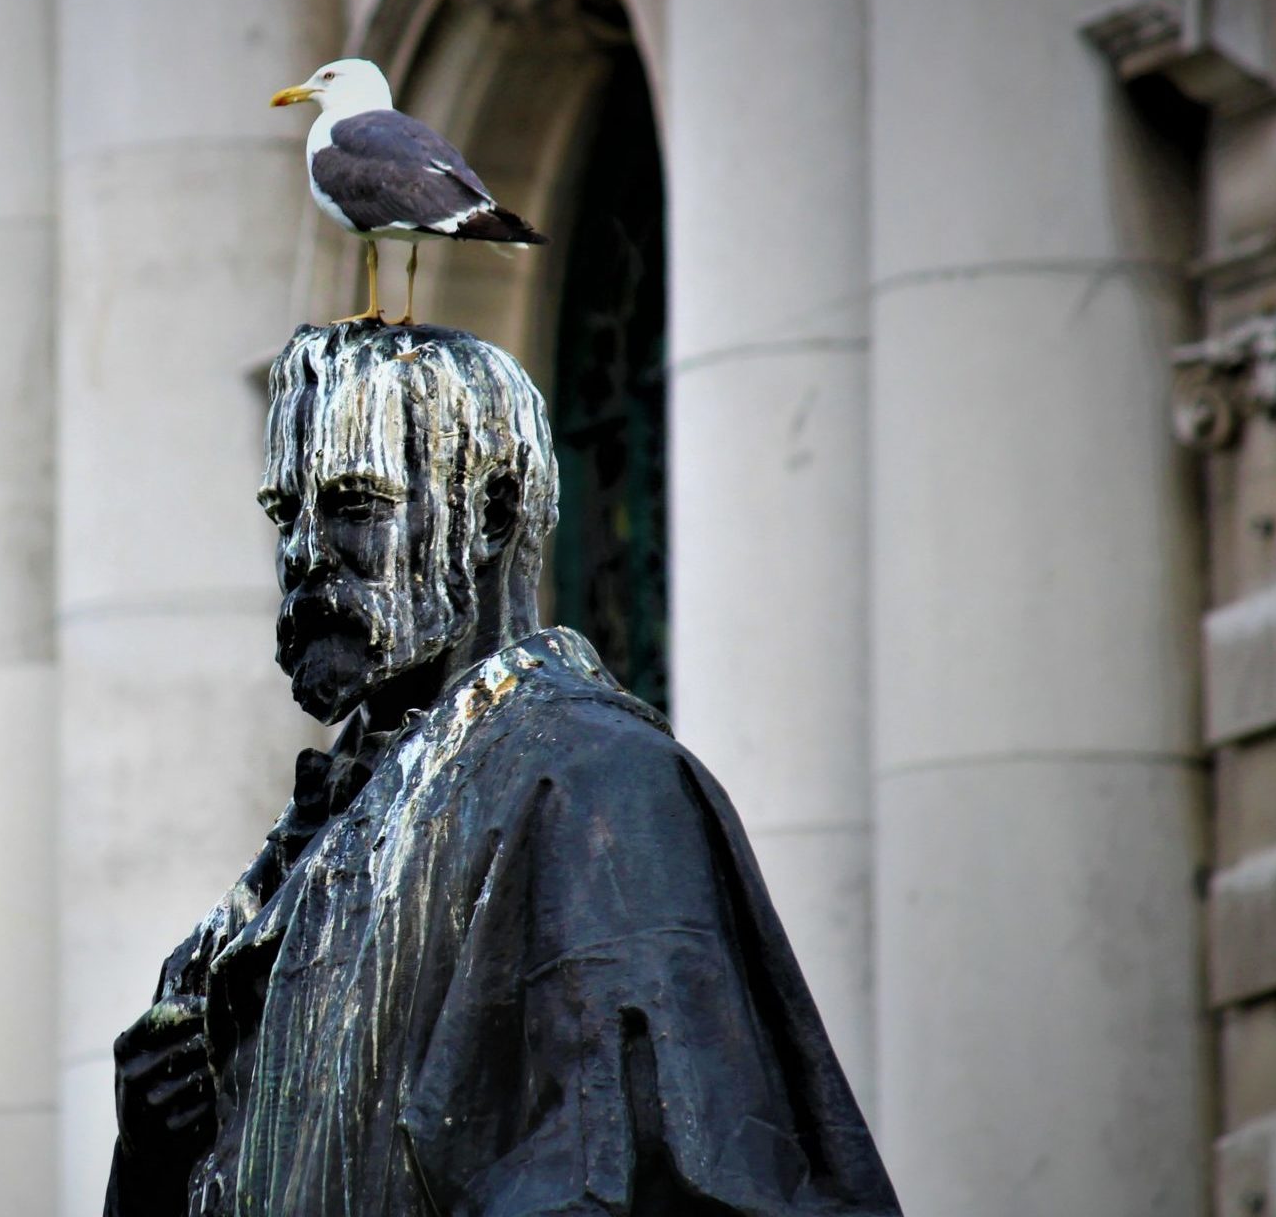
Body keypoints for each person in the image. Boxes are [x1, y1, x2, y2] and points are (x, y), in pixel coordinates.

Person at [105, 322, 901, 1216]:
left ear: (488, 517)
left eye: (355, 506)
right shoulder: (291, 869)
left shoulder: (598, 785)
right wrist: (151, 1160)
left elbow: (655, 1178)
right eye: (285, 515)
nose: (301, 554)